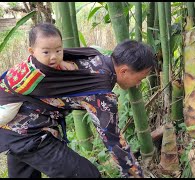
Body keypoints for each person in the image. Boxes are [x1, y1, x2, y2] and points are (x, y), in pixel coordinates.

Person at [0, 23, 156, 178]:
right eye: (140, 78)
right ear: (124, 71)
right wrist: (136, 174)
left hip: (15, 128)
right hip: (28, 134)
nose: (138, 84)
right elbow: (114, 142)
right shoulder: (101, 92)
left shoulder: (93, 55)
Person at [0, 23, 77, 126]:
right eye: (46, 52)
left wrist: (62, 62)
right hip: (9, 95)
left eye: (58, 50)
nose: (54, 56)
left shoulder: (44, 61)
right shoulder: (36, 74)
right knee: (4, 117)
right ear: (32, 51)